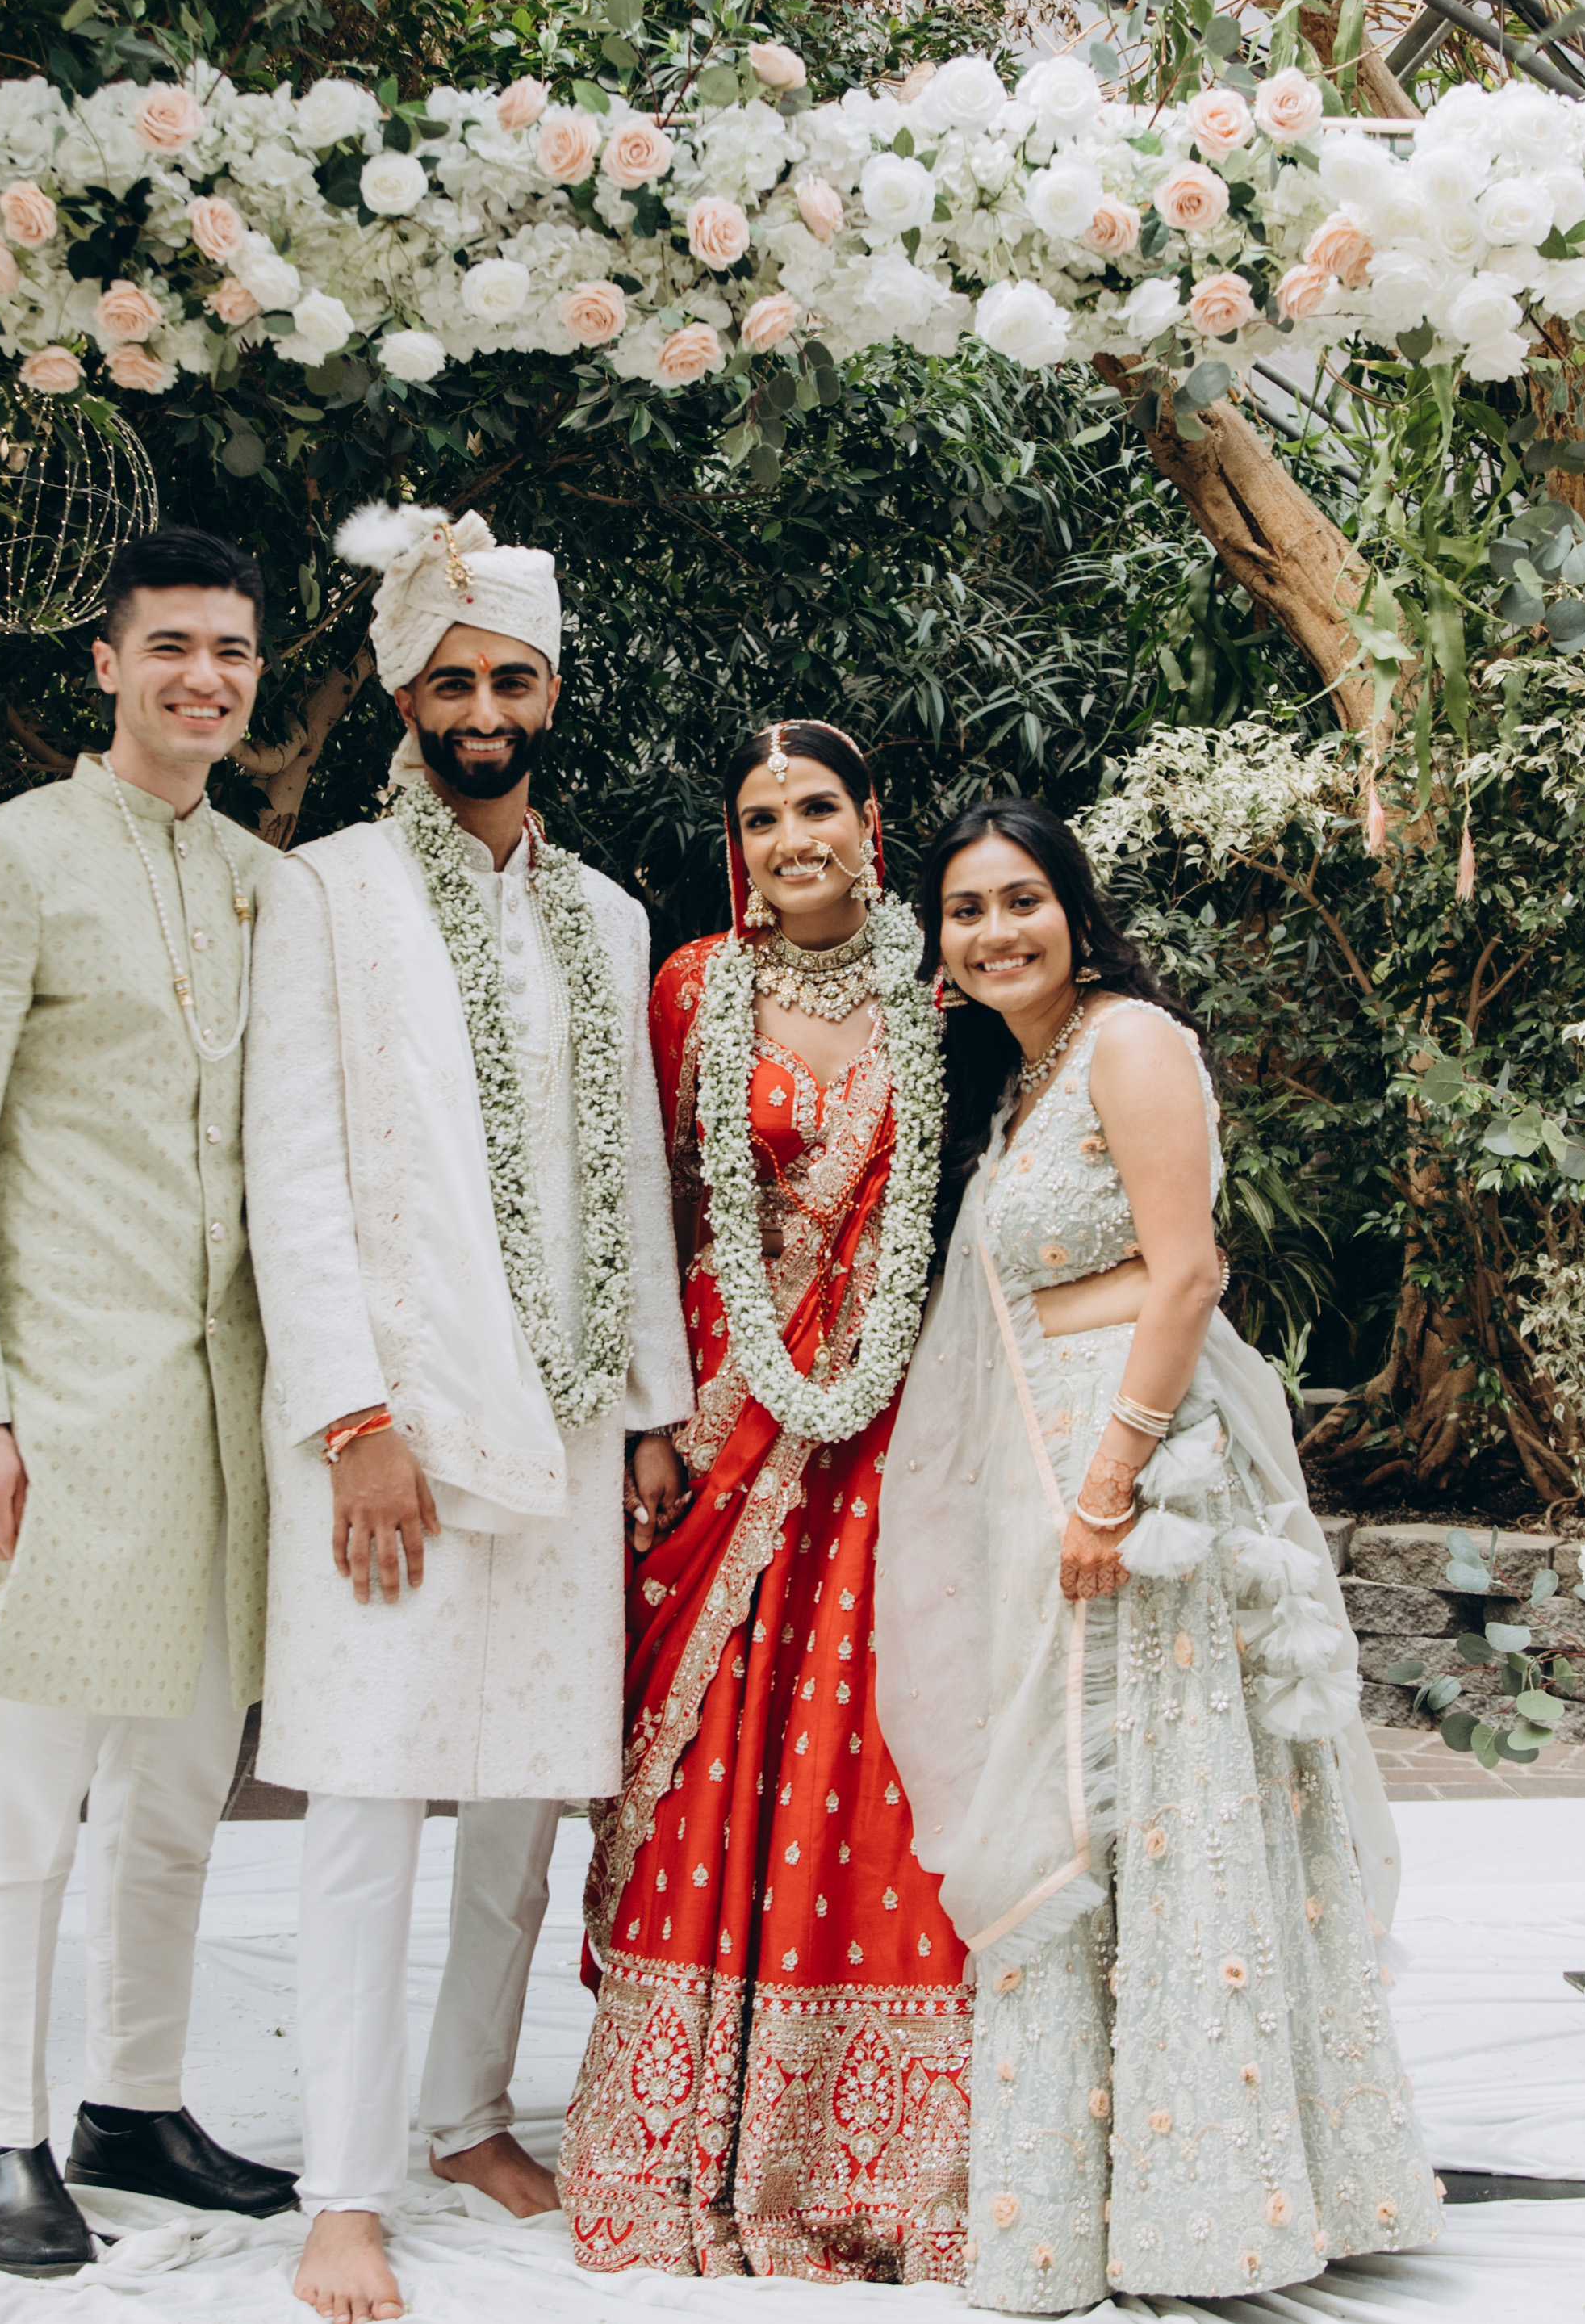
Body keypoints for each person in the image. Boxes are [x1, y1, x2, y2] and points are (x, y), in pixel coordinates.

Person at [873, 801, 1437, 2312]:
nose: (995, 931)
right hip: (1054, 1475)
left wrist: (1112, 1483)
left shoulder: (1129, 1042)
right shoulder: (1025, 1078)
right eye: (965, 910)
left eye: (1021, 899)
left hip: (1144, 1483)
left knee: (1163, 1807)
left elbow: (1186, 1273)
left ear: (1075, 909)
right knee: (1092, 1810)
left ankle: (1209, 2204)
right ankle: (1081, 2195)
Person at [247, 504, 698, 2324]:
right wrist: (350, 1415)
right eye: (453, 684)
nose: (485, 711)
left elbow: (636, 1179)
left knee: (526, 1787)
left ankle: (463, 2117)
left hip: (572, 1423)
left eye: (512, 680)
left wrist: (653, 1410)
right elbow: (293, 1170)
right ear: (404, 699)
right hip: (395, 1429)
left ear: (552, 694)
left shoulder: (609, 914)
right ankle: (343, 2190)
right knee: (367, 1793)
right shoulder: (327, 891)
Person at [0, 524, 302, 2276]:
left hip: (229, 1411)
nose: (206, 677)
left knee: (186, 1778)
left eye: (233, 651)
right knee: (26, 1780)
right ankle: (2, 2134)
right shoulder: (5, 859)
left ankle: (137, 2103)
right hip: (63, 1403)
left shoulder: (268, 883)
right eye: (173, 646)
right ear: (109, 665)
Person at [559, 718, 972, 2284]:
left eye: (816, 807)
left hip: (895, 1426)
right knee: (709, 1754)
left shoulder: (948, 991)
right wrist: (647, 1419)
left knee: (875, 1748)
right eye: (760, 816)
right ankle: (684, 2133)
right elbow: (640, 1211)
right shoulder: (689, 989)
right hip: (721, 1423)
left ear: (872, 819)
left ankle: (870, 2151)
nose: (792, 837)